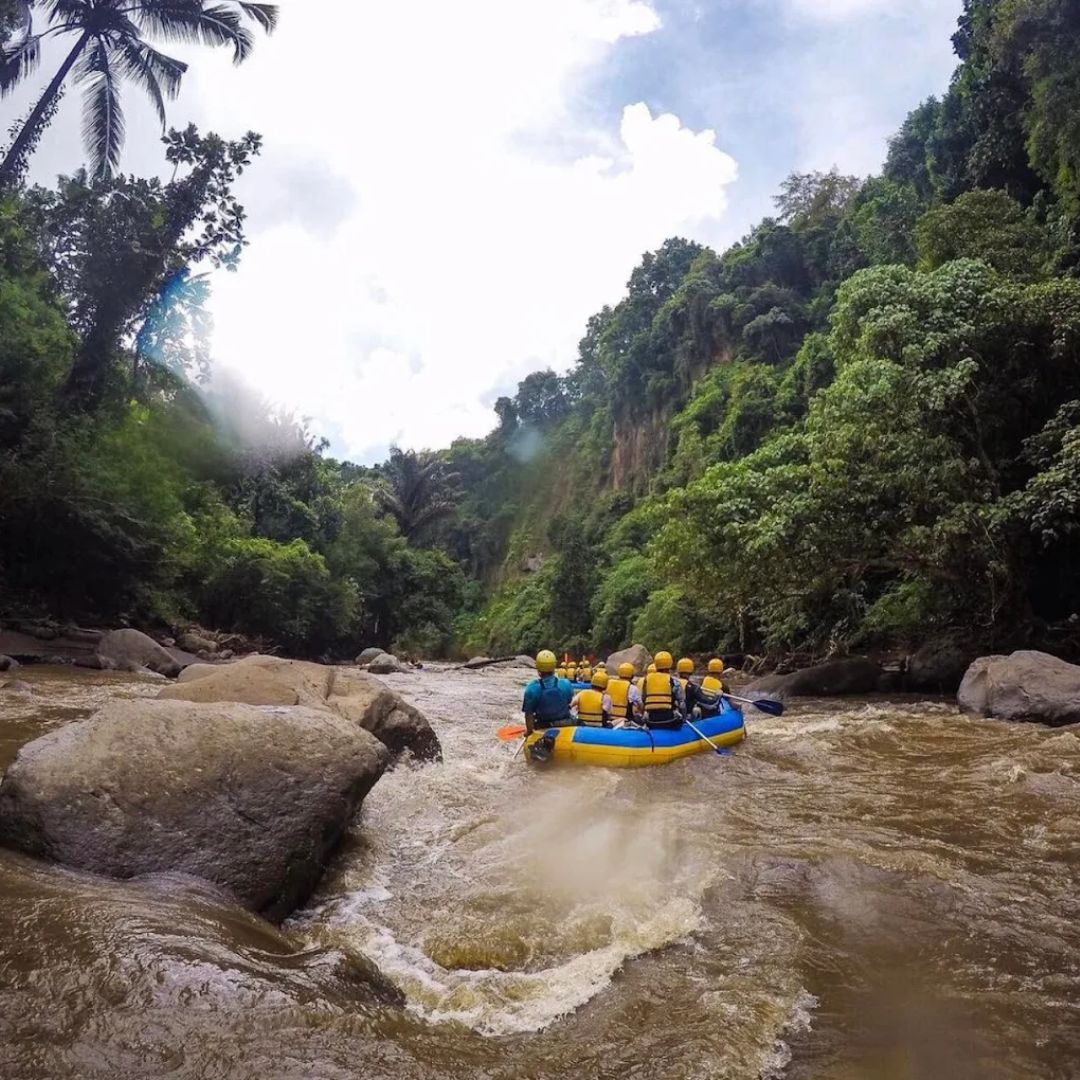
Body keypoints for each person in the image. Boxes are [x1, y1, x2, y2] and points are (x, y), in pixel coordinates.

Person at [522, 650, 574, 733]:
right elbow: (569, 701)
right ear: (554, 666)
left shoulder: (531, 688)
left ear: (538, 667)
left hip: (544, 727)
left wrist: (529, 732)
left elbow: (528, 714)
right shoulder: (566, 683)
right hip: (566, 725)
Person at [641, 651, 684, 729]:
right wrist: (684, 718)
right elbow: (682, 704)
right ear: (670, 664)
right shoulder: (674, 681)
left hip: (651, 720)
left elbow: (643, 699)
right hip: (670, 720)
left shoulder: (647, 680)